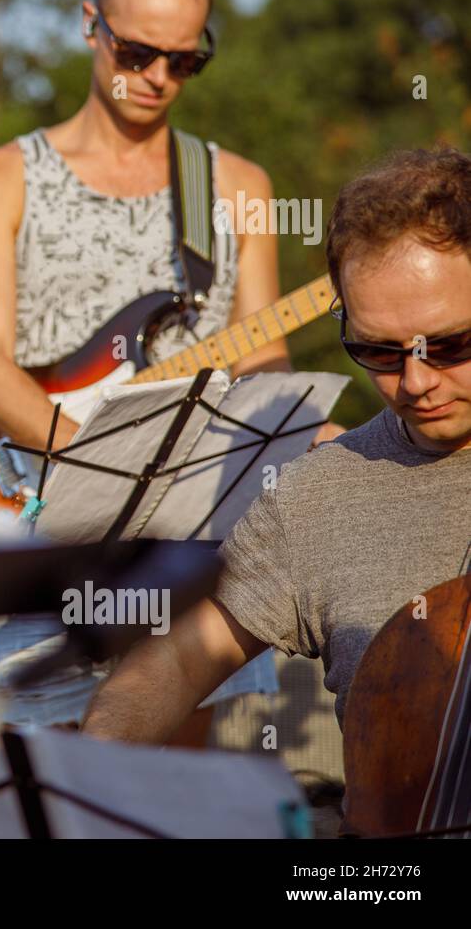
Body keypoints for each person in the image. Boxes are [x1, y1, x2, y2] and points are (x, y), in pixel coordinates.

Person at [0, 0, 340, 737]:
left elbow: (263, 362)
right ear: (90, 24)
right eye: (137, 50)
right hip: (43, 526)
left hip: (195, 548)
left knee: (199, 789)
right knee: (20, 786)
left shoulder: (238, 187)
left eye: (183, 60)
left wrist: (310, 438)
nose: (158, 77)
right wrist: (102, 467)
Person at [80, 148, 471, 780]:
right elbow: (178, 661)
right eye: (377, 351)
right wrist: (84, 769)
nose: (415, 382)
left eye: (450, 344)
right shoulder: (317, 494)